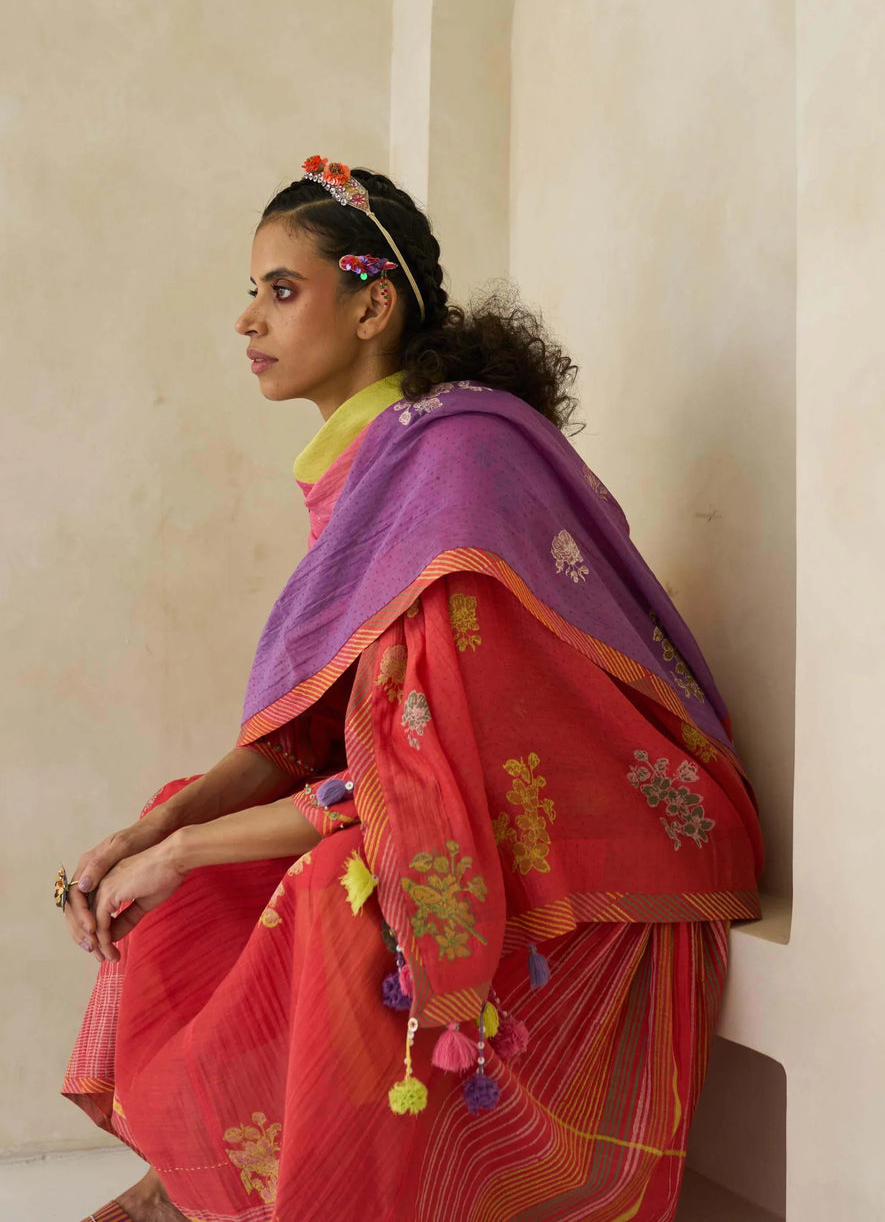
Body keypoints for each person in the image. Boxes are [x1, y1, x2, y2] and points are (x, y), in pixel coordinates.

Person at [60, 157, 763, 1222]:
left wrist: (184, 849)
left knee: (329, 886)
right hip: (475, 807)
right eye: (252, 292)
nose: (248, 320)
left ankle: (284, 1198)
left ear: (371, 306)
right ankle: (201, 1190)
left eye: (282, 290)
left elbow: (419, 777)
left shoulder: (453, 463)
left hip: (604, 842)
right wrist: (156, 830)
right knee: (191, 840)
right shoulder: (378, 464)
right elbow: (322, 732)